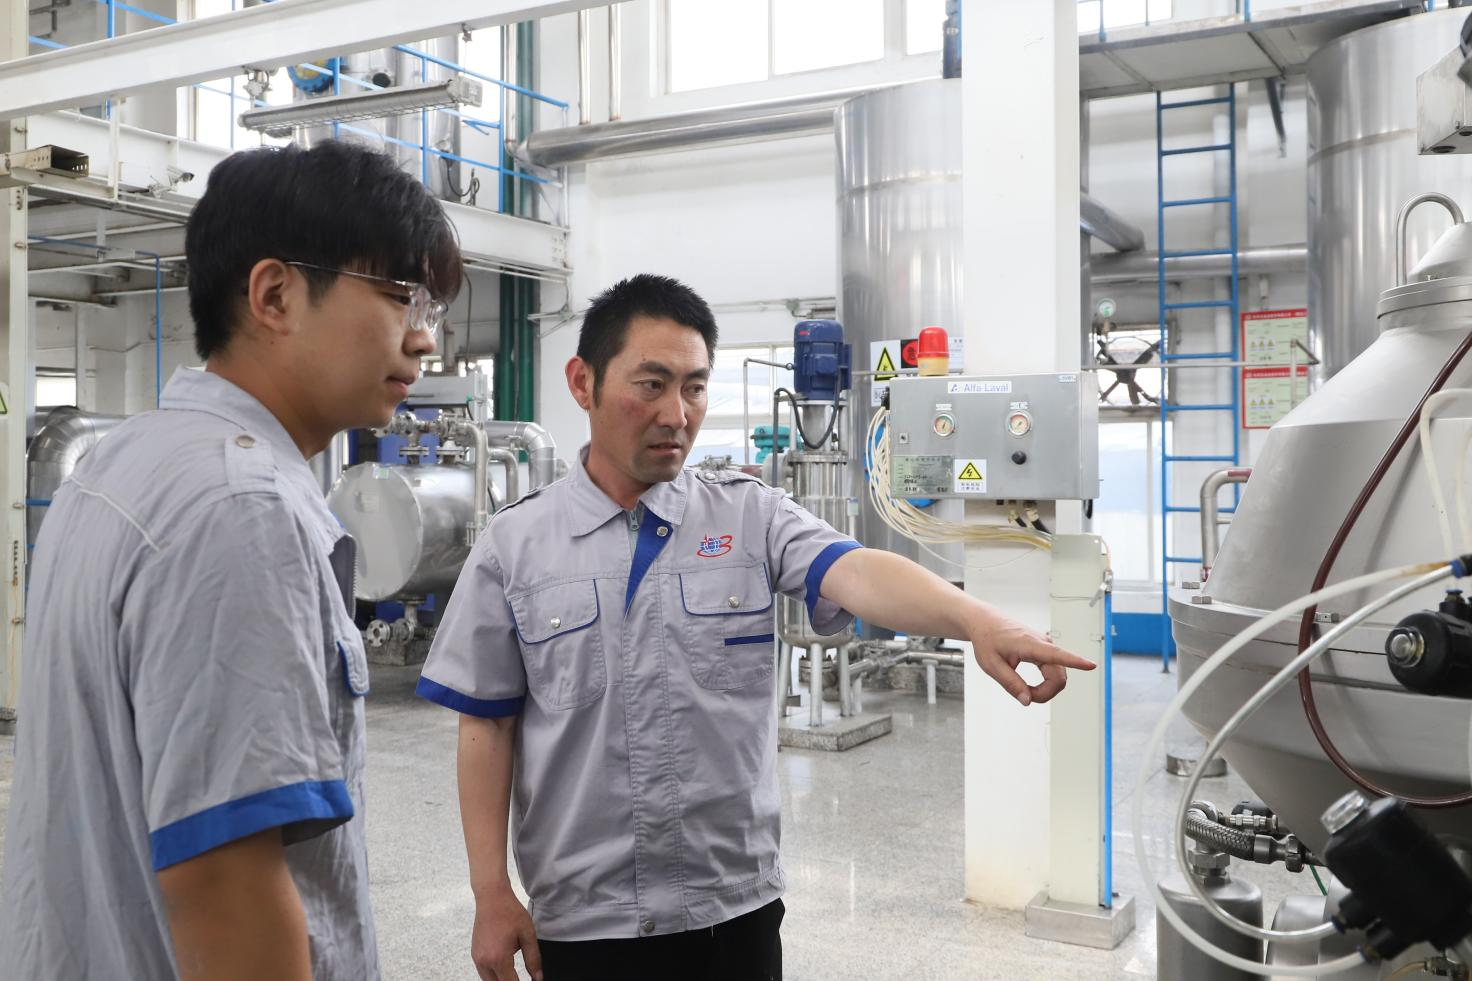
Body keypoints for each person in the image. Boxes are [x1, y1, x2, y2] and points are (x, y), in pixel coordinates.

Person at [417, 273, 1095, 981]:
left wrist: (975, 618)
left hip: (732, 910)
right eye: (651, 385)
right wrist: (490, 892)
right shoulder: (514, 546)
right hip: (587, 919)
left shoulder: (748, 516)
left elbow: (856, 569)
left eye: (695, 387)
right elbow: (486, 725)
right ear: (583, 382)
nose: (677, 414)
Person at [0, 140, 459, 981]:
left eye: (430, 307)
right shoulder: (241, 509)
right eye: (402, 297)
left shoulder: (121, 461)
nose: (424, 338)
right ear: (275, 294)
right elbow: (226, 888)